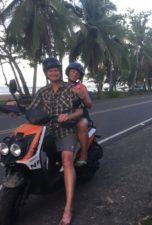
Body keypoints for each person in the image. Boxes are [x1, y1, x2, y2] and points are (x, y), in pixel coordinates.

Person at [26, 57, 82, 225]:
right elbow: (32, 108)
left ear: (60, 71)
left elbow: (80, 110)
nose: (53, 72)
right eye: (50, 70)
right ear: (47, 73)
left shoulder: (71, 88)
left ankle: (68, 207)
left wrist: (69, 115)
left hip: (66, 130)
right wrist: (17, 105)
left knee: (67, 160)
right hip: (46, 131)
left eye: (56, 69)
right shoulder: (42, 91)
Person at [65, 62, 92, 166]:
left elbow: (89, 105)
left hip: (81, 115)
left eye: (77, 73)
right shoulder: (62, 85)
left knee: (82, 124)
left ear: (79, 76)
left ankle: (83, 154)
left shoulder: (81, 87)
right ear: (68, 72)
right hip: (65, 114)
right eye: (72, 72)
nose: (74, 74)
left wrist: (81, 95)